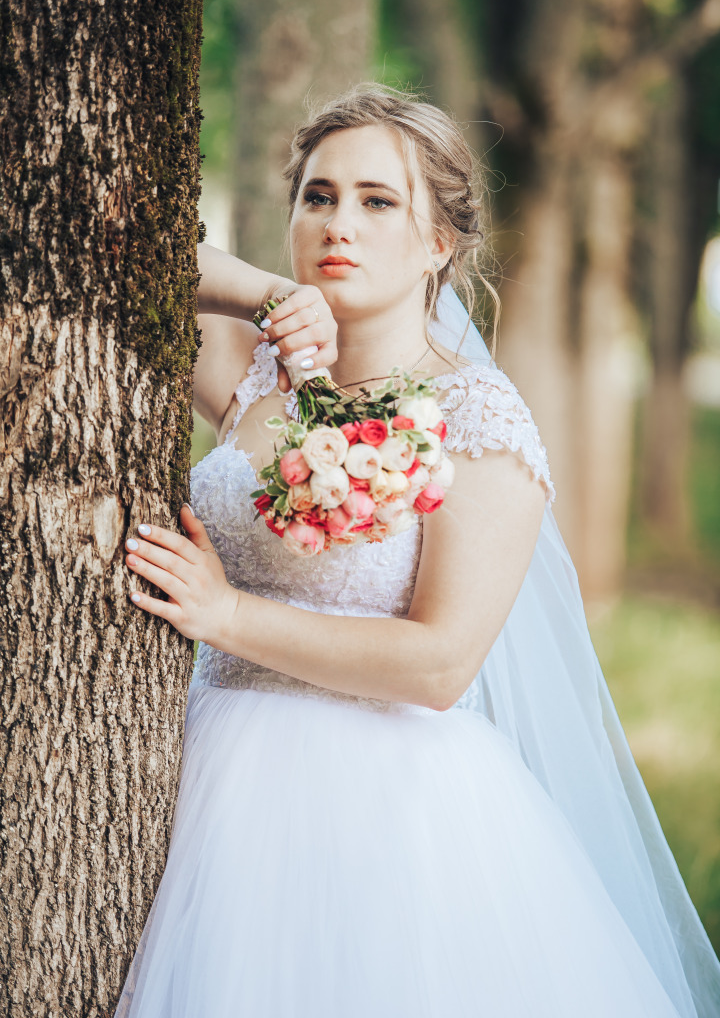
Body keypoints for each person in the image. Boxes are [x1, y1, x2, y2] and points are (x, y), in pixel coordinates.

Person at [115, 86, 720, 1017]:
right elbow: (123, 250)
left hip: (388, 818)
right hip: (202, 784)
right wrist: (270, 295)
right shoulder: (254, 375)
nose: (337, 225)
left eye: (377, 200)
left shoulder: (478, 420)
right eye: (317, 197)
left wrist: (228, 615)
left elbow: (442, 662)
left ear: (439, 242)